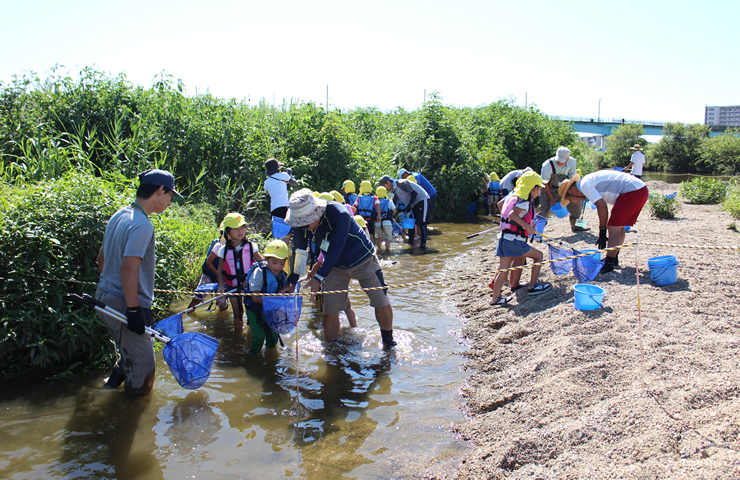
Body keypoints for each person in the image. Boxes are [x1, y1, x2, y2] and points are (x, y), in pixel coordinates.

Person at [95, 168, 183, 395]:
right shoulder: (143, 225)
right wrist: (134, 310)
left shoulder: (119, 215)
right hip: (124, 303)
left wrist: (110, 288)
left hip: (105, 297)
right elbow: (128, 269)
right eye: (170, 195)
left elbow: (101, 259)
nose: (170, 201)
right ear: (160, 191)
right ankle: (128, 418)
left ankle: (110, 387)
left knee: (130, 352)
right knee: (145, 368)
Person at [285, 189, 395, 348]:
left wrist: (318, 277)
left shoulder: (338, 213)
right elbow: (300, 252)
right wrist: (292, 281)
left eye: (307, 222)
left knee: (381, 301)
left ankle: (388, 341)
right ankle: (332, 350)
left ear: (317, 212)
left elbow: (336, 248)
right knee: (330, 310)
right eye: (301, 223)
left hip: (362, 258)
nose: (305, 226)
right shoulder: (300, 224)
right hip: (335, 266)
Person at [559, 170, 649, 273]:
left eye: (571, 200)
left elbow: (602, 207)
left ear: (571, 192)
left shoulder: (584, 185)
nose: (575, 203)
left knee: (613, 228)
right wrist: (603, 231)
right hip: (639, 189)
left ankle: (609, 264)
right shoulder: (586, 182)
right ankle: (613, 257)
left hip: (633, 191)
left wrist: (602, 231)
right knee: (618, 227)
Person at [489, 171, 553, 305]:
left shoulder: (511, 197)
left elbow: (505, 210)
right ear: (533, 188)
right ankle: (533, 286)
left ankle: (495, 299)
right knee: (539, 256)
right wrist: (528, 228)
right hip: (515, 241)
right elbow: (513, 215)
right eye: (539, 188)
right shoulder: (524, 202)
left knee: (503, 270)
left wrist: (523, 223)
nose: (540, 191)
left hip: (504, 238)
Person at [243, 240, 296, 354]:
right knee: (258, 337)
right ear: (266, 259)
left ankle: (270, 357)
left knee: (273, 338)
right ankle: (252, 358)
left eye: (282, 263)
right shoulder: (259, 273)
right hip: (255, 309)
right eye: (274, 262)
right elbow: (255, 298)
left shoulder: (283, 275)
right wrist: (276, 299)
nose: (278, 266)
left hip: (272, 310)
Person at [216, 212, 263, 331]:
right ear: (227, 232)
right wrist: (221, 286)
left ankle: (251, 337)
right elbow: (220, 270)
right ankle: (238, 337)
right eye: (235, 229)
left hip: (249, 286)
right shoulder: (223, 250)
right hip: (232, 286)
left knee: (251, 312)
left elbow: (263, 264)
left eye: (242, 227)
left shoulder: (252, 246)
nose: (240, 231)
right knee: (238, 314)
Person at [538, 147, 589, 232]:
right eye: (559, 160)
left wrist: (576, 196)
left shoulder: (572, 162)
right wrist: (551, 199)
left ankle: (576, 226)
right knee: (543, 210)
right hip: (548, 188)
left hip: (566, 188)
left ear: (568, 159)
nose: (560, 163)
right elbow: (545, 183)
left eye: (563, 161)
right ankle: (537, 230)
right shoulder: (547, 164)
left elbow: (573, 181)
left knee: (577, 206)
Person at [380, 175, 430, 251]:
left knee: (421, 222)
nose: (385, 189)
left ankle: (423, 245)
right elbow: (394, 203)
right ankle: (411, 243)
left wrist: (409, 205)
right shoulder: (394, 190)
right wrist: (388, 213)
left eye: (384, 185)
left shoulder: (401, 183)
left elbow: (414, 193)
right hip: (414, 203)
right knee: (411, 223)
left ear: (389, 182)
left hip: (422, 200)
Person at [375, 186, 396, 254]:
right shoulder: (389, 201)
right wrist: (391, 215)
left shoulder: (375, 201)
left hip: (378, 222)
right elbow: (394, 210)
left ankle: (379, 250)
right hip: (387, 222)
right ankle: (387, 251)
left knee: (379, 238)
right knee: (388, 238)